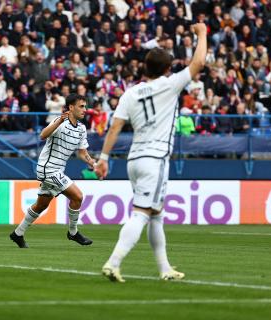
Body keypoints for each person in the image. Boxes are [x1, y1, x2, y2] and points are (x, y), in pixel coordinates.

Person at [95, 23, 208, 282]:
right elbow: (199, 61)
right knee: (142, 213)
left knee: (157, 214)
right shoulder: (170, 85)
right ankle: (113, 263)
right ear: (168, 69)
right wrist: (201, 32)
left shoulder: (130, 93)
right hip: (155, 159)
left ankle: (165, 268)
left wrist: (103, 159)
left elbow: (114, 127)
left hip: (134, 159)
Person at [10, 94, 95, 248]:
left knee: (41, 205)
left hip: (58, 171)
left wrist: (93, 162)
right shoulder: (60, 121)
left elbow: (82, 153)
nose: (85, 109)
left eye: (85, 106)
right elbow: (42, 135)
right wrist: (59, 121)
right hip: (48, 169)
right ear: (71, 107)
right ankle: (73, 232)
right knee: (77, 196)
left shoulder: (82, 129)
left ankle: (18, 233)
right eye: (81, 106)